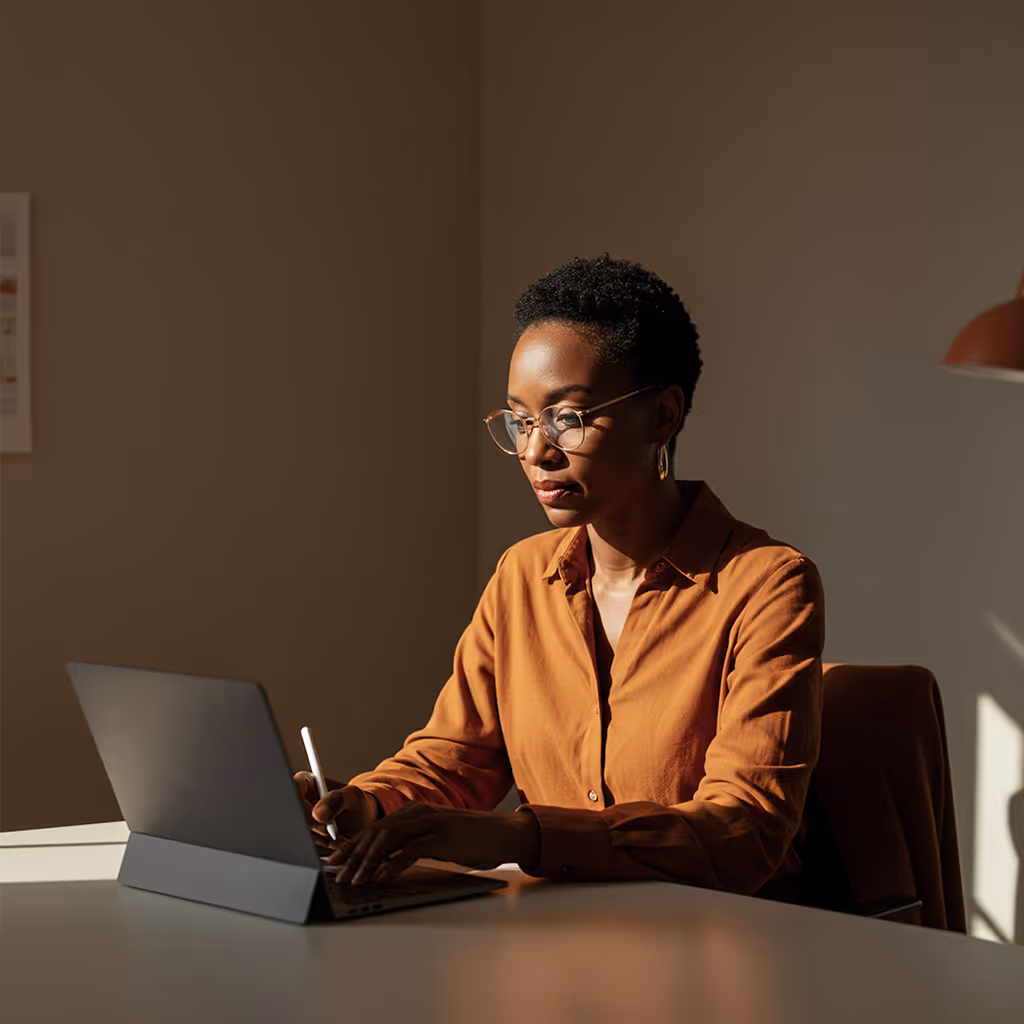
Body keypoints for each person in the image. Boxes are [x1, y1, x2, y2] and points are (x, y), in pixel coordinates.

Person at [294, 254, 825, 897]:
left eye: (567, 417)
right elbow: (459, 759)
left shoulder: (766, 586)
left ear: (663, 416)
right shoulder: (523, 576)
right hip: (560, 938)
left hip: (722, 944)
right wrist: (366, 806)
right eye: (520, 420)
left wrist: (522, 837)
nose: (536, 451)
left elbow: (745, 830)